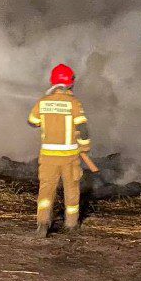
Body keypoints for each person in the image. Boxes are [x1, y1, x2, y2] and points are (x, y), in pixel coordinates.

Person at [27, 63, 91, 238]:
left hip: (48, 157)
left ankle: (42, 223)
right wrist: (85, 147)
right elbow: (83, 129)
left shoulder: (43, 102)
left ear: (53, 82)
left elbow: (32, 121)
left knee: (46, 189)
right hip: (69, 157)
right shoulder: (74, 103)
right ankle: (71, 224)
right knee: (71, 189)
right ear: (70, 83)